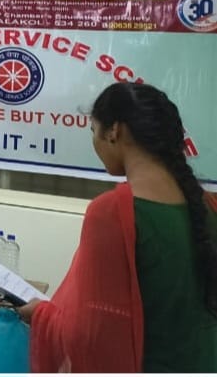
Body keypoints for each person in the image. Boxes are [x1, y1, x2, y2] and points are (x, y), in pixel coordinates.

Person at [20, 82, 217, 372]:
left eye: (93, 130)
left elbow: (90, 334)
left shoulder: (112, 212)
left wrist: (41, 315)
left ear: (114, 131)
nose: (94, 142)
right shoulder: (209, 207)